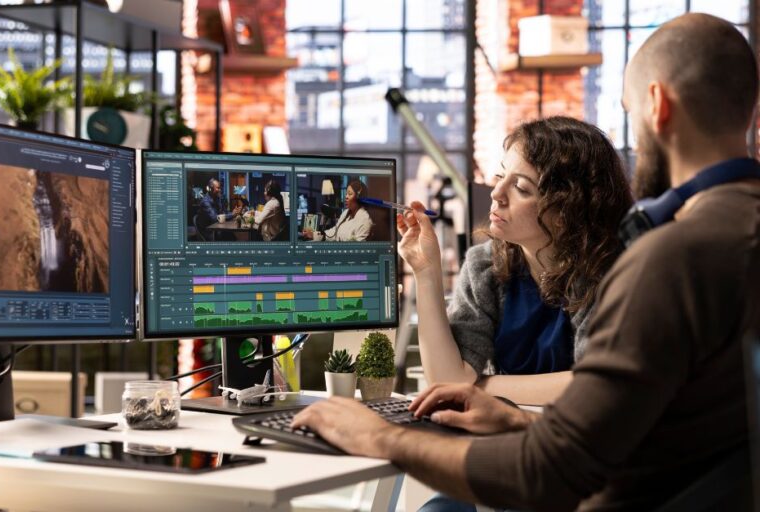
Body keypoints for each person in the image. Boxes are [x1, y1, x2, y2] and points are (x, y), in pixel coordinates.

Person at [292, 13, 760, 511]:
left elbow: (552, 469)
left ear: (657, 105)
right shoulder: (727, 239)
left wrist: (381, 437)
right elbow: (656, 429)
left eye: (630, 114)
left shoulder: (670, 257)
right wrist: (517, 418)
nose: (497, 196)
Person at [399, 116, 632, 408]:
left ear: (567, 211)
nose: (496, 194)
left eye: (521, 188)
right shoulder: (484, 266)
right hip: (504, 432)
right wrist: (425, 272)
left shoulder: (608, 274)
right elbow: (448, 381)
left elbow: (595, 386)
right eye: (500, 176)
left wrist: (480, 387)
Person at [301, 179, 373, 241]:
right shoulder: (345, 213)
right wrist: (313, 234)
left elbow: (358, 249)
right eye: (346, 194)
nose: (346, 197)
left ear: (359, 197)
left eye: (350, 194)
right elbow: (334, 232)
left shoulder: (364, 220)